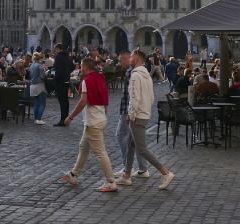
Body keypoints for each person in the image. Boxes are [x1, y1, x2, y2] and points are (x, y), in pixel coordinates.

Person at [116, 50, 175, 190]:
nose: (129, 59)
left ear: (135, 59)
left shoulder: (135, 76)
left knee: (142, 149)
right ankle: (126, 175)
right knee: (131, 145)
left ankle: (165, 172)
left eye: (131, 57)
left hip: (137, 116)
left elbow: (134, 98)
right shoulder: (147, 75)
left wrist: (131, 114)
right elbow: (151, 97)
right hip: (144, 113)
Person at [61, 57, 117, 192]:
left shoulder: (87, 80)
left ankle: (111, 182)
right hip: (100, 117)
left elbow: (82, 102)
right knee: (83, 147)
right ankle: (73, 174)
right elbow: (104, 97)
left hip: (93, 120)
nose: (80, 68)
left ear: (85, 67)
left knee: (100, 152)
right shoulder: (100, 77)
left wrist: (70, 117)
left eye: (81, 66)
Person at [114, 50, 149, 177]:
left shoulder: (131, 72)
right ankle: (142, 168)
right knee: (135, 140)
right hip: (134, 111)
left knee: (120, 135)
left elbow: (132, 95)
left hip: (128, 111)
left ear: (127, 58)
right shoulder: (140, 72)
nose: (119, 63)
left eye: (120, 60)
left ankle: (127, 167)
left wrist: (130, 113)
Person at [53, 43, 73, 126]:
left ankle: (62, 120)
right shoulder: (67, 56)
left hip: (60, 82)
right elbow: (72, 66)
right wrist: (67, 74)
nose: (54, 51)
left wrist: (55, 77)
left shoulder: (58, 57)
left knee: (62, 101)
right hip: (66, 81)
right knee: (65, 101)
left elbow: (57, 71)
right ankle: (66, 119)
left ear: (58, 49)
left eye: (55, 49)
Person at [29, 52, 47, 125]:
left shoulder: (32, 65)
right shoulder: (40, 66)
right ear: (40, 58)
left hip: (32, 85)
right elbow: (42, 77)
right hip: (39, 85)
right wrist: (45, 72)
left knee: (36, 103)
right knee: (42, 103)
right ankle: (38, 119)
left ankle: (36, 119)